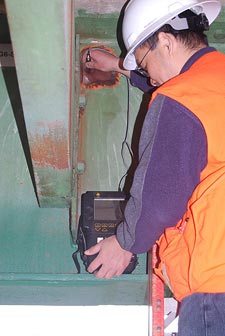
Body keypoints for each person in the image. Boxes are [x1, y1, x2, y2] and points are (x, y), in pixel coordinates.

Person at [84, 0, 225, 334]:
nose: (151, 77)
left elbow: (161, 196)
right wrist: (123, 67)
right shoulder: (211, 85)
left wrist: (124, 244)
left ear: (166, 41)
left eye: (145, 66)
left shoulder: (180, 97)